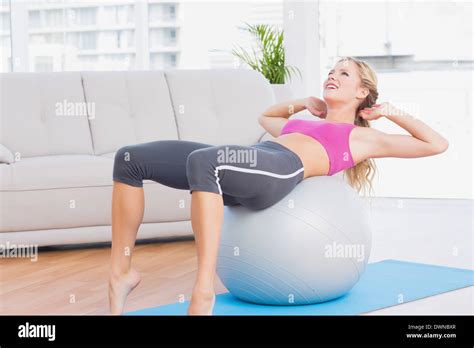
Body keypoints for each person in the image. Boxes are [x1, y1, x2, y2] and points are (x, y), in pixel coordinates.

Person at [108, 56, 449, 315]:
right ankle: (122, 274)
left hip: (280, 172)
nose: (332, 75)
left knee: (204, 160)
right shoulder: (300, 123)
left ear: (362, 92)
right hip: (254, 159)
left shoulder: (362, 138)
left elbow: (436, 144)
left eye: (343, 73)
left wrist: (391, 113)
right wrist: (303, 103)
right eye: (331, 70)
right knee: (128, 159)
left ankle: (203, 290)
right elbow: (267, 118)